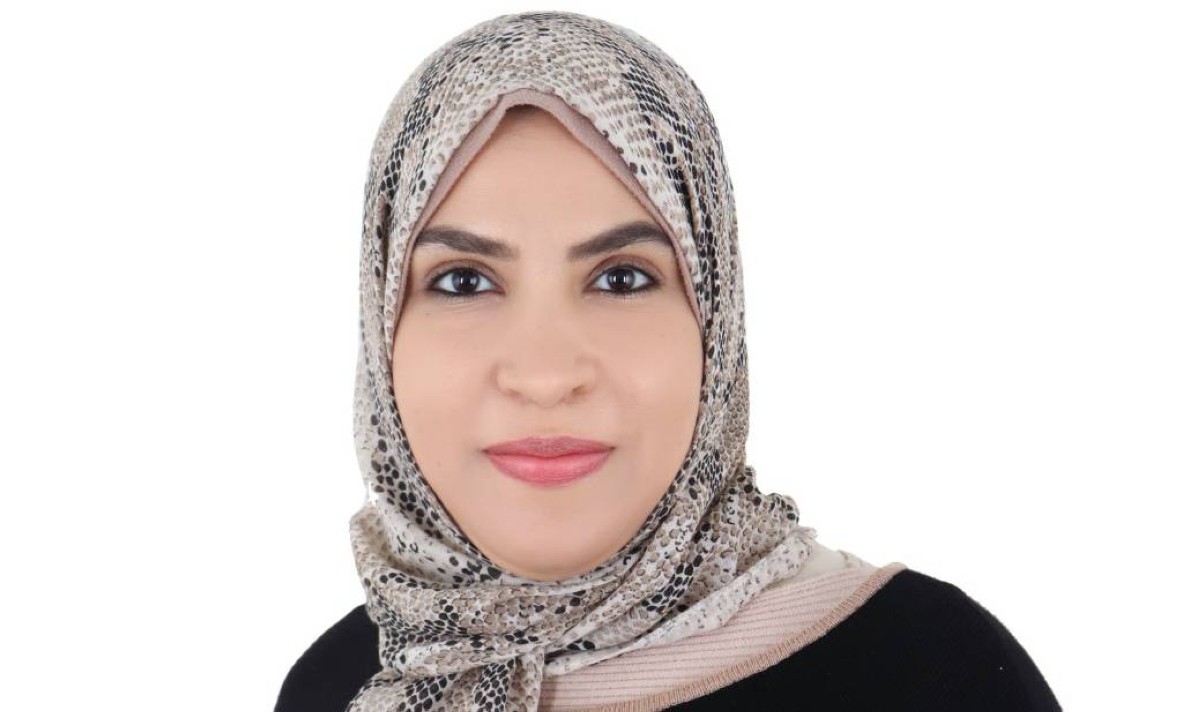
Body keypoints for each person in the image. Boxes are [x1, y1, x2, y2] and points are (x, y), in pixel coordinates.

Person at [275, 10, 1061, 711]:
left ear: (715, 324)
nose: (545, 375)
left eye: (621, 278)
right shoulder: (344, 686)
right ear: (381, 326)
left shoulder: (932, 674)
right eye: (463, 281)